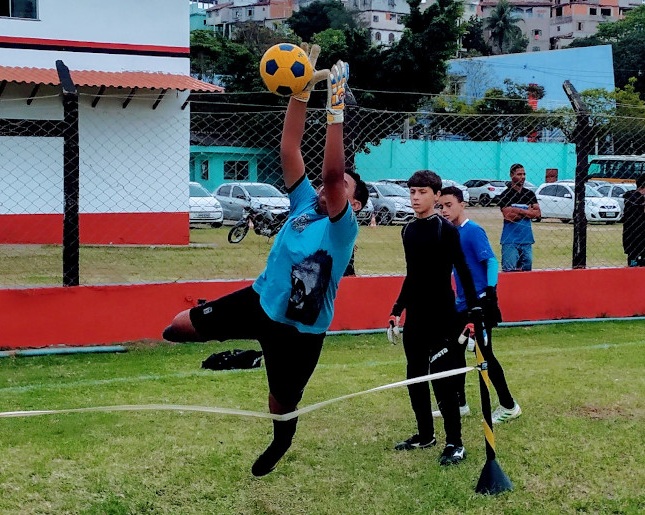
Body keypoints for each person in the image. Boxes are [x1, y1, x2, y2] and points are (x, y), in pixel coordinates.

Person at [162, 53, 369, 477]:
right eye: (338, 184)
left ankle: (281, 440)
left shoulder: (342, 230)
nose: (335, 186)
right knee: (176, 329)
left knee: (282, 407)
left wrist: (336, 110)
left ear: (355, 203)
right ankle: (249, 347)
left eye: (347, 187)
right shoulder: (300, 204)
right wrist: (302, 89)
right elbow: (289, 146)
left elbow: (332, 176)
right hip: (259, 302)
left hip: (300, 333)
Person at [388, 170, 477, 466]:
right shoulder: (407, 231)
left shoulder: (445, 230)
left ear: (436, 195)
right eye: (412, 192)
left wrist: (473, 313)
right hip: (416, 319)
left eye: (422, 192)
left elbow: (463, 271)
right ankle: (425, 435)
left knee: (442, 381)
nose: (415, 198)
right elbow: (413, 276)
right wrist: (397, 309)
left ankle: (455, 442)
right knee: (415, 378)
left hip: (442, 319)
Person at [438, 186, 521, 425]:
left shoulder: (472, 231)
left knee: (484, 354)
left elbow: (492, 262)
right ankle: (460, 403)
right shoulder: (450, 234)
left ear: (463, 205)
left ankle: (509, 405)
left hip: (479, 304)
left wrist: (489, 294)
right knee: (455, 352)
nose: (444, 210)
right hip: (461, 305)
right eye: (441, 206)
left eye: (449, 205)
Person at [494, 164, 541, 271]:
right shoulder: (506, 195)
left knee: (526, 273)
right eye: (519, 174)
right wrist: (527, 211)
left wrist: (516, 210)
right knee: (509, 272)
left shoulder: (529, 194)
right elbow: (508, 216)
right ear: (511, 175)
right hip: (510, 241)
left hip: (527, 241)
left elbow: (537, 214)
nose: (523, 177)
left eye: (524, 174)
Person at [622, 174, 645, 267]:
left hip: (629, 236)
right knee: (642, 261)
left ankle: (633, 266)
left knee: (632, 259)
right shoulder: (640, 199)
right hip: (641, 237)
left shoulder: (629, 197)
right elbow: (640, 214)